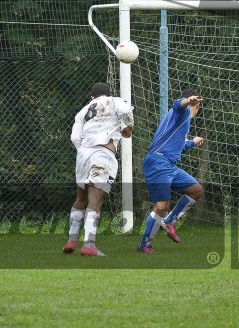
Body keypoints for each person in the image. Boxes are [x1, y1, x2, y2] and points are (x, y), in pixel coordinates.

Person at [62, 82, 134, 257]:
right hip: (102, 154)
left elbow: (74, 137)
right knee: (95, 199)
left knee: (80, 198)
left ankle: (71, 240)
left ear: (92, 97)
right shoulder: (114, 101)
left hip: (82, 155)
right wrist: (128, 127)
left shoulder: (83, 111)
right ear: (107, 94)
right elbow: (126, 111)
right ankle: (89, 244)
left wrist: (84, 151)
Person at [137, 89, 204, 253]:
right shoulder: (182, 112)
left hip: (169, 165)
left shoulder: (183, 122)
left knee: (196, 190)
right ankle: (144, 245)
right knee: (161, 205)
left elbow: (178, 146)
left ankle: (170, 221)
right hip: (159, 162)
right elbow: (177, 105)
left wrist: (193, 142)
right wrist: (188, 101)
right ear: (197, 105)